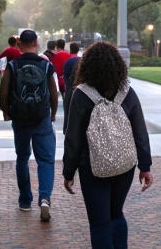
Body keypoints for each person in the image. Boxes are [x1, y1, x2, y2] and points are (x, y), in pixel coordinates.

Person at [63, 41, 153, 249]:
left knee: (99, 223)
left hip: (92, 167)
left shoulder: (82, 94)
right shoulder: (127, 92)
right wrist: (145, 166)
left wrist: (69, 172)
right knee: (116, 214)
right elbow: (140, 131)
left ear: (88, 65)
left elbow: (73, 137)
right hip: (124, 164)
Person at [0, 29, 58, 221]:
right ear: (36, 42)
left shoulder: (13, 66)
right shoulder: (46, 65)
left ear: (18, 45)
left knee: (22, 158)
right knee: (46, 160)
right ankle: (45, 198)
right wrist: (53, 113)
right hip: (41, 118)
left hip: (20, 118)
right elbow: (53, 92)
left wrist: (7, 113)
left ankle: (25, 200)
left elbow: (4, 92)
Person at [62, 42, 80, 134]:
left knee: (68, 110)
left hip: (69, 90)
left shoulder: (68, 62)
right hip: (80, 90)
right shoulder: (81, 61)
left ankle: (66, 128)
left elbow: (64, 75)